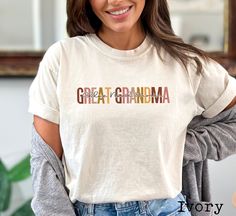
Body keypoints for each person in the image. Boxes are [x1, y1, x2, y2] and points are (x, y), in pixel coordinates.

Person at [28, 0, 236, 215]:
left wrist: (185, 145)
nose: (115, 1)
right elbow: (46, 161)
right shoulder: (62, 58)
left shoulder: (185, 64)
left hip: (167, 208)